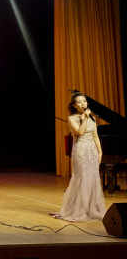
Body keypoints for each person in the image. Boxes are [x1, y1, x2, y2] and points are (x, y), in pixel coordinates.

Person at [51, 91, 105, 221]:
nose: (83, 104)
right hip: (80, 151)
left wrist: (100, 152)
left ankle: (90, 209)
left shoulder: (92, 118)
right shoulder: (72, 118)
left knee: (92, 180)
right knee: (81, 179)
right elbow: (80, 132)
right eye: (79, 102)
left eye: (84, 101)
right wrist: (84, 118)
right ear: (74, 105)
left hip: (92, 151)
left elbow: (95, 136)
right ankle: (78, 210)